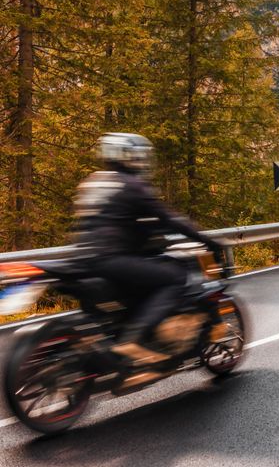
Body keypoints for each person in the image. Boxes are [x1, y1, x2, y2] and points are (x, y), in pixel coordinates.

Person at [72, 133, 224, 367]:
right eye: (138, 156)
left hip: (83, 259)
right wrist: (209, 242)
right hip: (113, 258)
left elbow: (109, 220)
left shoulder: (94, 182)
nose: (141, 160)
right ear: (128, 157)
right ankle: (134, 338)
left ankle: (113, 342)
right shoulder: (132, 184)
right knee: (175, 278)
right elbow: (170, 219)